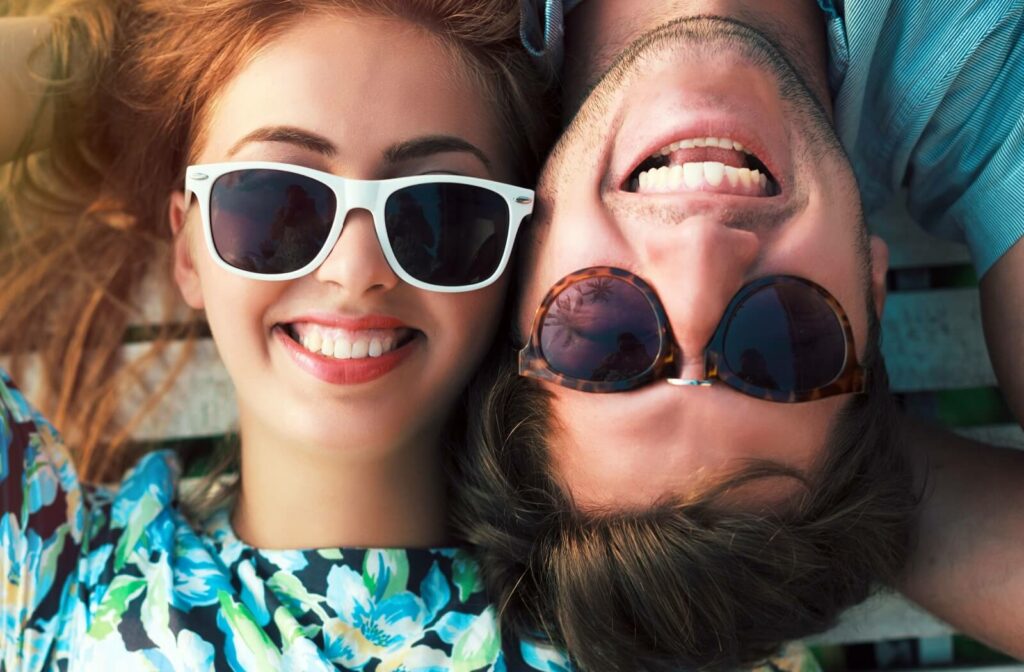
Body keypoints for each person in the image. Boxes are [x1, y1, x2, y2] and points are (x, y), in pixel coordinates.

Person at [0, 0, 572, 668]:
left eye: (437, 211)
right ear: (187, 249)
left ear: (514, 252)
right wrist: (89, 59)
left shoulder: (604, 623)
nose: (356, 272)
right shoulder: (46, 575)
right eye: (277, 201)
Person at [513, 0, 1024, 663]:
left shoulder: (433, 32)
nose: (702, 250)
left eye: (610, 338)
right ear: (872, 292)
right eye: (782, 340)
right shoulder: (974, 79)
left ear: (518, 275)